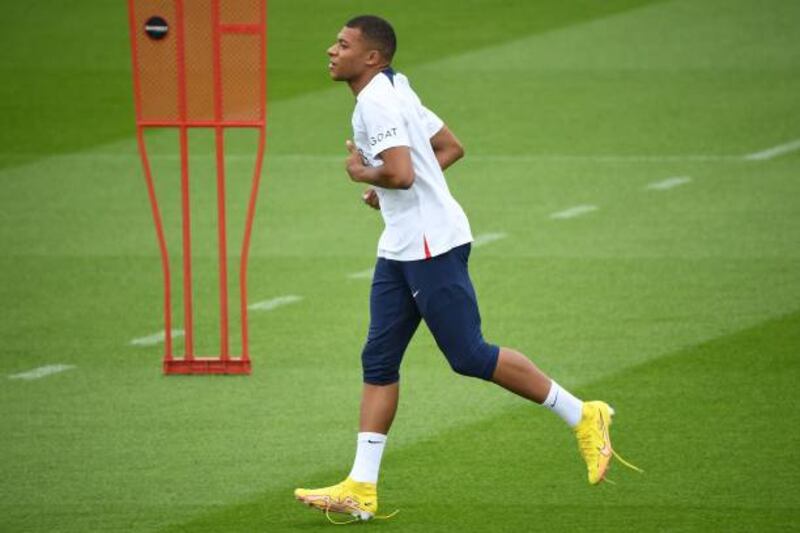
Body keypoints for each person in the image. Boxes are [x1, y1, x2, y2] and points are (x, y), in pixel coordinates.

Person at [295, 15, 639, 523]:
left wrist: (363, 175)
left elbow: (403, 173)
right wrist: (383, 187)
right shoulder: (397, 86)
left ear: (372, 57)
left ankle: (584, 414)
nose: (331, 50)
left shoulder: (377, 99)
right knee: (379, 358)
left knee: (469, 354)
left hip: (432, 245)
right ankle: (361, 487)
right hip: (401, 245)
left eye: (342, 44)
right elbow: (450, 147)